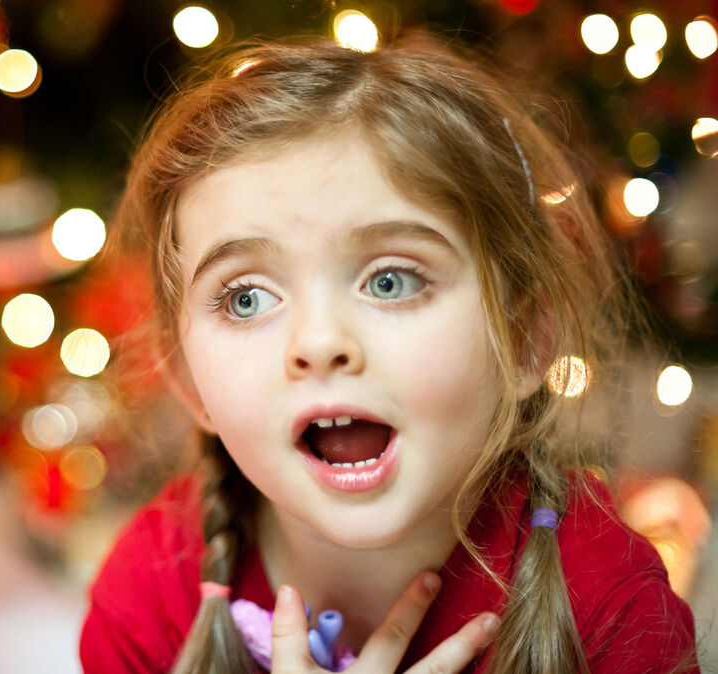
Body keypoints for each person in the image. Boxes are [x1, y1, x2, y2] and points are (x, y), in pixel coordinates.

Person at [79, 34, 699, 674]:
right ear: (186, 380)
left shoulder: (611, 611)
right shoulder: (150, 598)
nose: (319, 344)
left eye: (390, 281)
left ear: (523, 340)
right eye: (246, 299)